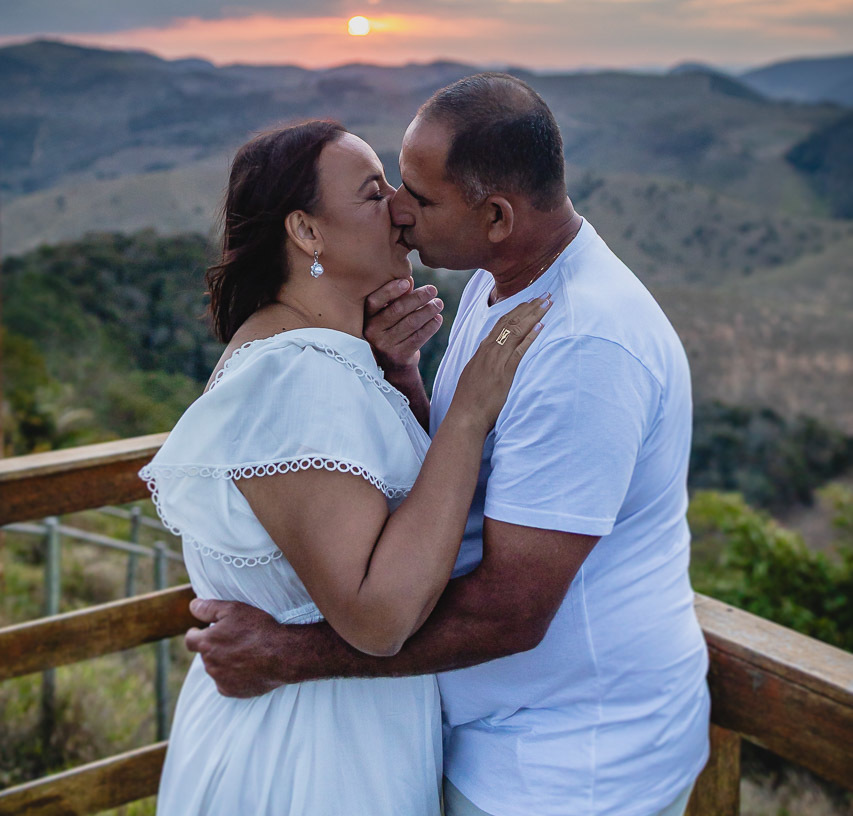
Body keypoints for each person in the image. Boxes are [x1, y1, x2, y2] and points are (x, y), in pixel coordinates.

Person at [187, 74, 711, 816]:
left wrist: (285, 655)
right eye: (385, 191)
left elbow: (511, 609)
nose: (400, 213)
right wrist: (404, 384)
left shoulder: (582, 347)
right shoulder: (496, 288)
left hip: (569, 766)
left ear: (495, 215)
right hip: (486, 735)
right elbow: (466, 479)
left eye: (417, 197)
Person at [140, 118, 546, 816]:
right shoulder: (297, 378)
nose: (399, 206)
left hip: (327, 731)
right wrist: (469, 415)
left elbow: (387, 515)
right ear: (306, 232)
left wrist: (400, 377)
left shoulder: (317, 355)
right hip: (312, 761)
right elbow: (377, 616)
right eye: (370, 193)